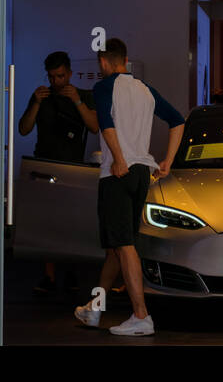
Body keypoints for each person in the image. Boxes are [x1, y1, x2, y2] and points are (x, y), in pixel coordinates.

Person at [73, 38, 185, 336]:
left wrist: (119, 159)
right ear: (125, 59)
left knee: (124, 245)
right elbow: (178, 121)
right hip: (141, 173)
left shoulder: (104, 87)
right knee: (117, 247)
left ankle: (141, 316)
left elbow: (106, 125)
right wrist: (167, 162)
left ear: (103, 62)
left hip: (118, 174)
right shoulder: (145, 89)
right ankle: (94, 309)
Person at [18, 50, 99, 294]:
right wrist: (36, 102)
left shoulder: (83, 96)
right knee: (46, 222)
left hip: (73, 166)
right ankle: (49, 275)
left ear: (70, 74)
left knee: (72, 221)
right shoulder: (40, 97)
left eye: (61, 76)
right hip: (44, 165)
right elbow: (23, 128)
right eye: (52, 77)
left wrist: (76, 101)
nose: (56, 82)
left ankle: (72, 271)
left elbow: (94, 127)